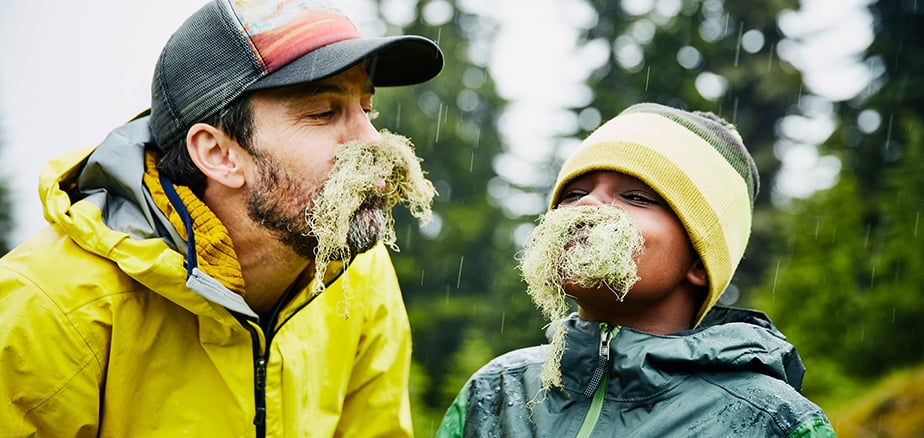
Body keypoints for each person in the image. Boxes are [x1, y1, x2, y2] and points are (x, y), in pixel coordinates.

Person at [0, 0, 443, 436]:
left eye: (368, 110)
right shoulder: (48, 307)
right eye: (323, 113)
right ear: (218, 154)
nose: (373, 142)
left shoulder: (357, 278)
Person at [436, 103, 836, 437]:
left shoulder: (774, 422)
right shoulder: (494, 391)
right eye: (574, 193)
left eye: (635, 197)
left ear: (699, 262)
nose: (587, 207)